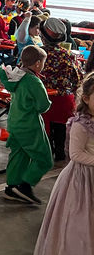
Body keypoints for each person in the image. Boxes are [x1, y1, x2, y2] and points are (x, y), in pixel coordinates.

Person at [31, 72, 94, 255]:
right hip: (81, 180)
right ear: (86, 98)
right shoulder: (81, 124)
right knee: (80, 225)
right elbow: (76, 154)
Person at [0, 46, 53, 205]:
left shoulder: (15, 76)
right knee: (44, 159)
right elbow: (43, 106)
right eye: (43, 63)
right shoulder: (34, 81)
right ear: (37, 63)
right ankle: (25, 186)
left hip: (14, 122)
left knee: (19, 154)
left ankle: (12, 187)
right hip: (29, 125)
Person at [40, 18, 84, 161]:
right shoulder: (68, 55)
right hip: (64, 100)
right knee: (61, 133)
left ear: (42, 35)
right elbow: (78, 79)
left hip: (40, 100)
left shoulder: (36, 54)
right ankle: (59, 154)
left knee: (43, 132)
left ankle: (45, 154)